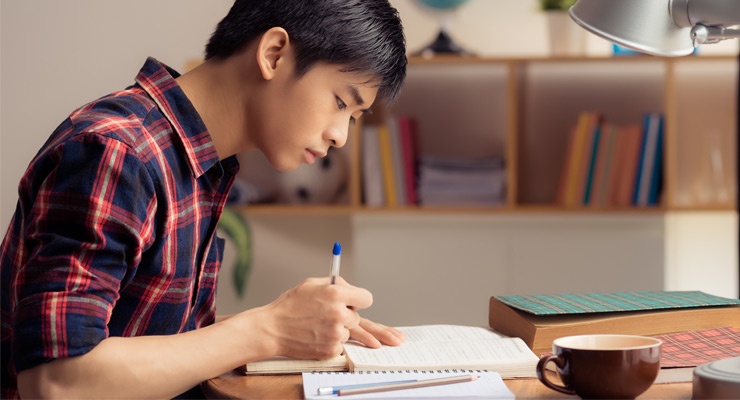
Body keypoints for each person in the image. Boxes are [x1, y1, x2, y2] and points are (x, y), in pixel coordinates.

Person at [0, 0, 407, 398]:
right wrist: (268, 329)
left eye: (353, 118)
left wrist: (295, 330)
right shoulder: (118, 152)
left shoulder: (199, 162)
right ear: (274, 54)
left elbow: (151, 336)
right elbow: (55, 382)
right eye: (341, 103)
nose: (340, 136)